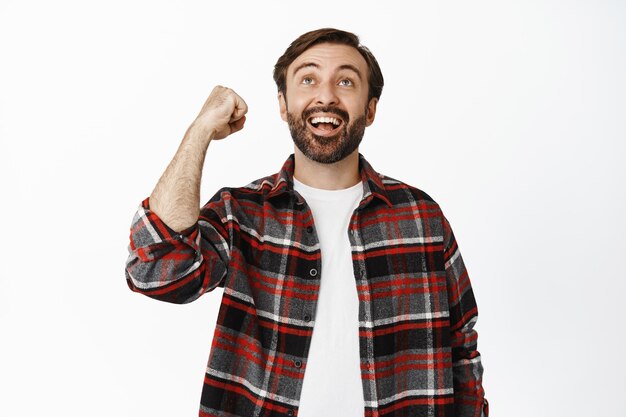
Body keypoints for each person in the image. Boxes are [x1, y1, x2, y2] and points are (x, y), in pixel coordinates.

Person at [125, 28, 489, 417]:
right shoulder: (243, 212)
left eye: (346, 81)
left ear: (370, 108)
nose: (326, 95)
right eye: (308, 79)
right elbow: (157, 271)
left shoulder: (420, 218)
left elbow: (461, 348)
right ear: (283, 104)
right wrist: (199, 132)